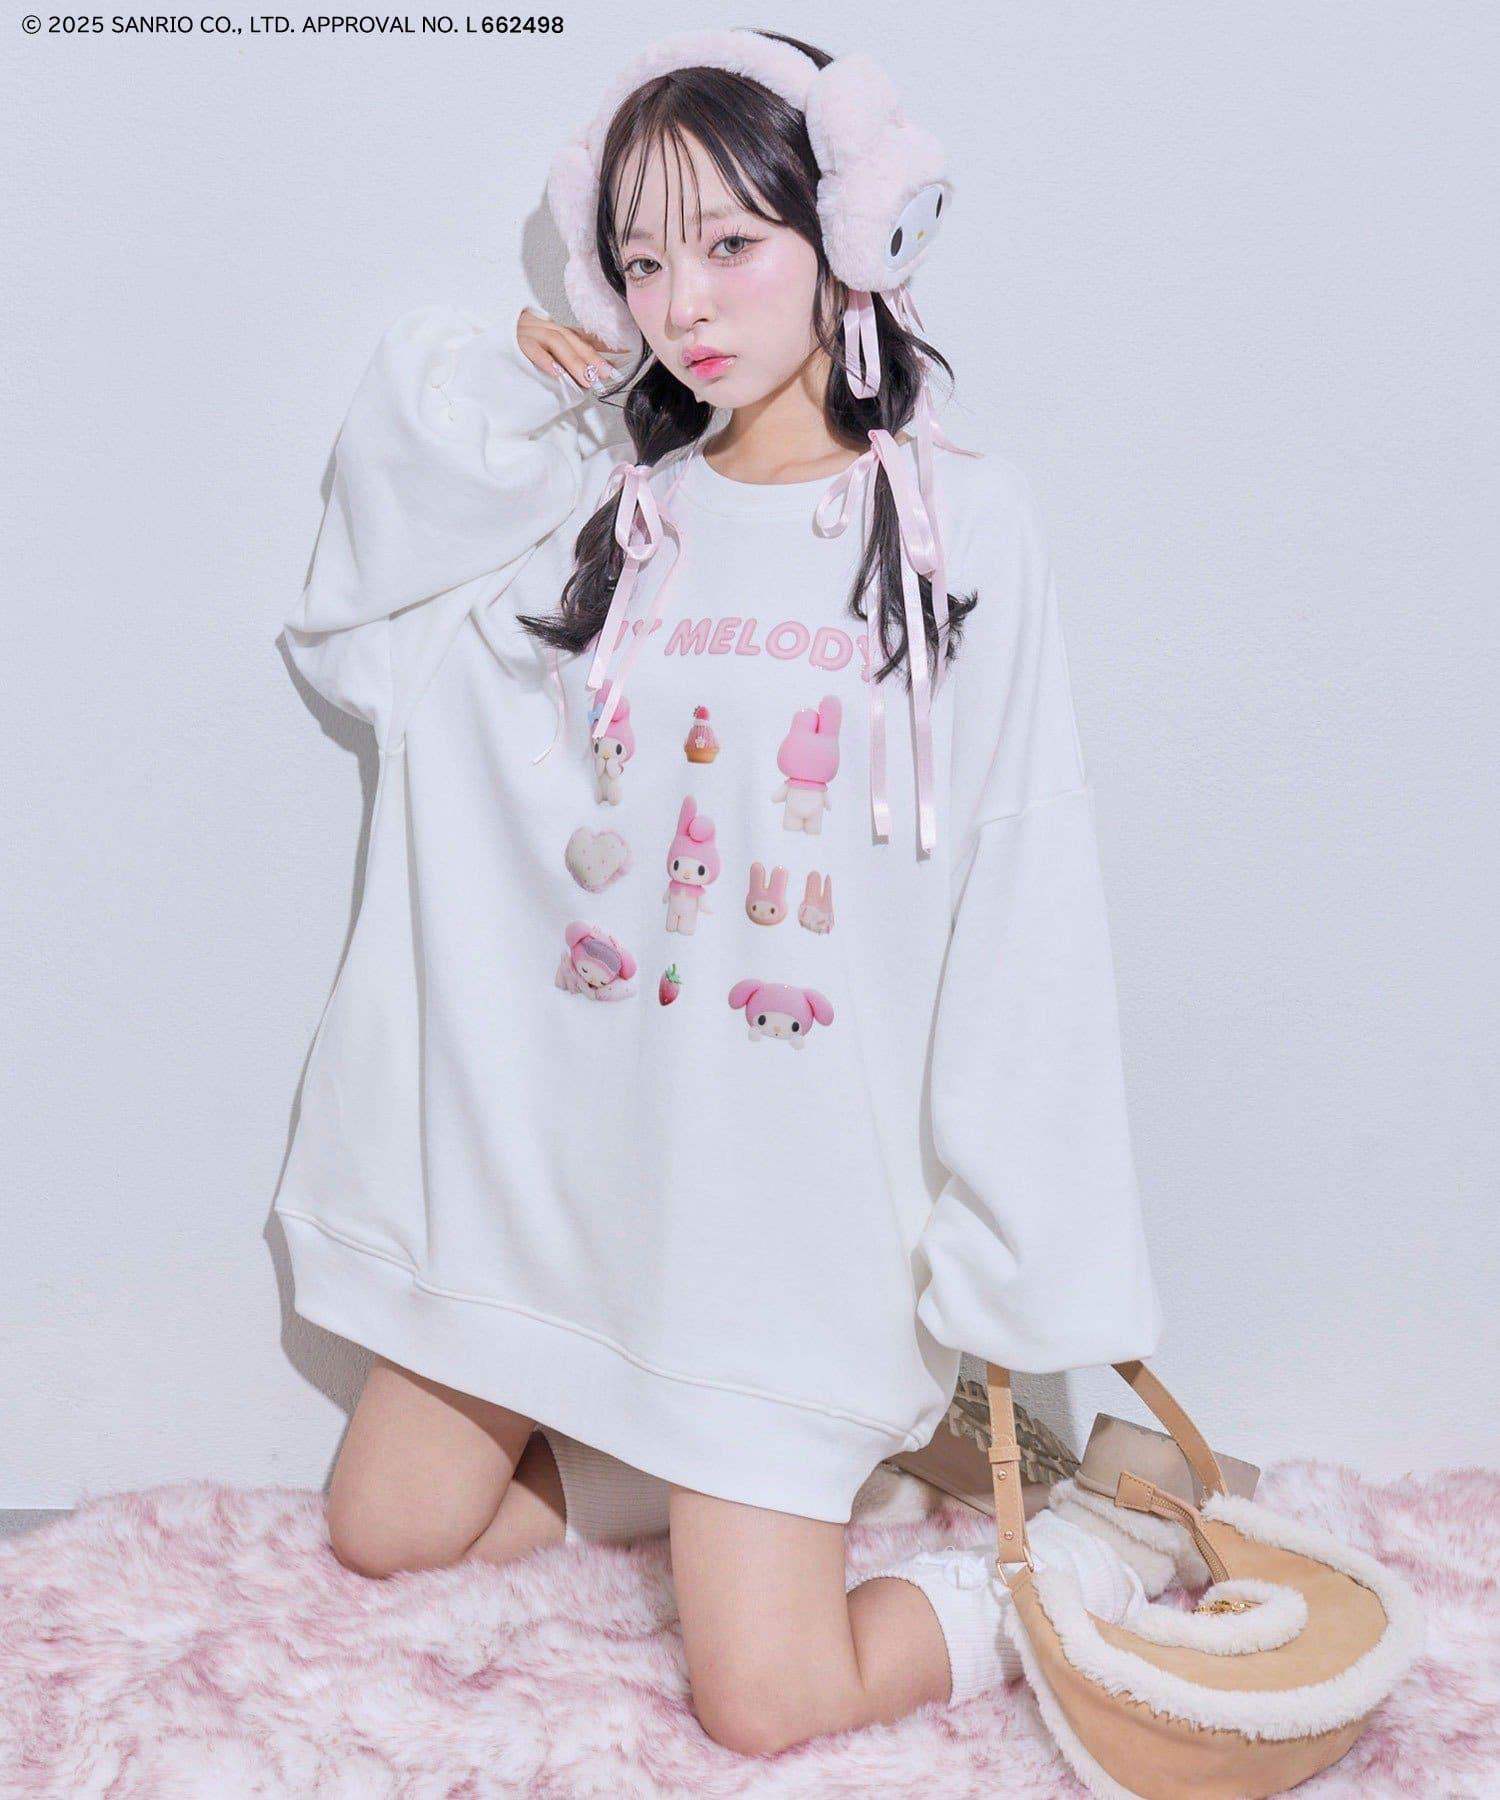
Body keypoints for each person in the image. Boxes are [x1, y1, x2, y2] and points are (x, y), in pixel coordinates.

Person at [273, 28, 1162, 1754]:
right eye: (639, 261)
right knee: (384, 1527)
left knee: (767, 1701)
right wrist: (524, 395)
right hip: (582, 1179)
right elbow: (375, 641)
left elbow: (1023, 884)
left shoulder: (962, 529)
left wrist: (1008, 1260)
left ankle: (1105, 1543)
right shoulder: (622, 517)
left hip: (787, 1220)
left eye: (731, 243)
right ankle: (747, 1474)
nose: (682, 301)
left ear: (852, 233)